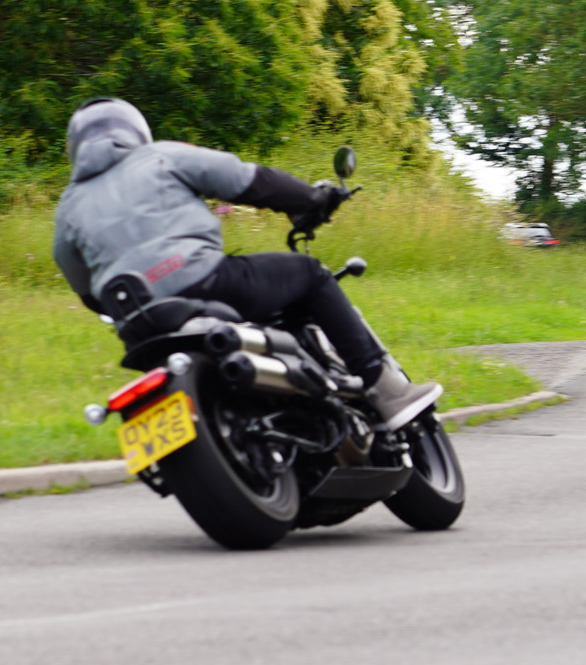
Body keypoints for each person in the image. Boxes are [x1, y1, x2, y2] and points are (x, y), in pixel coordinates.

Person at [52, 97, 442, 428]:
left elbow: (84, 288)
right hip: (205, 281)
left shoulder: (68, 206)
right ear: (134, 131)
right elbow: (247, 180)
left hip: (136, 322)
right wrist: (311, 200)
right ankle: (385, 388)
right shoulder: (160, 156)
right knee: (311, 275)